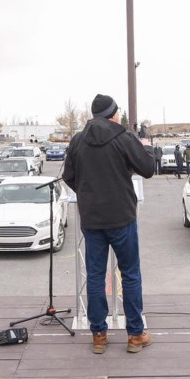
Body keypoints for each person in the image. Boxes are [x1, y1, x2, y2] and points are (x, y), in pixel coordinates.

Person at [64, 93, 155, 355]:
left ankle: (99, 335)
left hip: (92, 220)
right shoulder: (123, 137)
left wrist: (88, 193)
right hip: (122, 218)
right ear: (112, 114)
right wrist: (144, 145)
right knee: (130, 274)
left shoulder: (78, 140)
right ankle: (136, 335)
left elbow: (69, 176)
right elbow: (148, 168)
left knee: (94, 276)